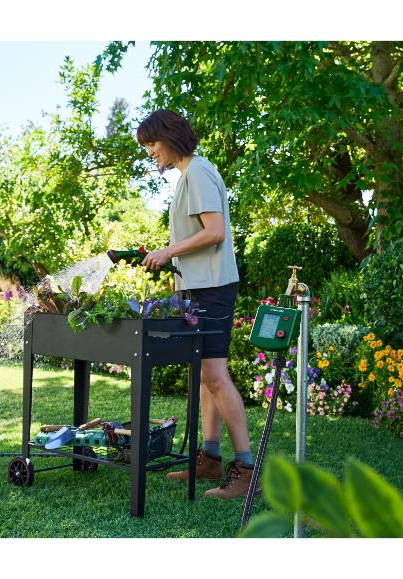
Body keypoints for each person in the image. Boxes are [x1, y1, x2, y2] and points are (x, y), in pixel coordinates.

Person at [136, 109, 254, 499]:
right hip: (199, 287)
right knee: (205, 375)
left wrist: (169, 250)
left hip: (212, 289)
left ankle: (246, 469)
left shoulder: (198, 172)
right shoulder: (189, 175)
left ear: (169, 138)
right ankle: (209, 457)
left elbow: (215, 231)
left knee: (216, 376)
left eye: (152, 143)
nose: (151, 152)